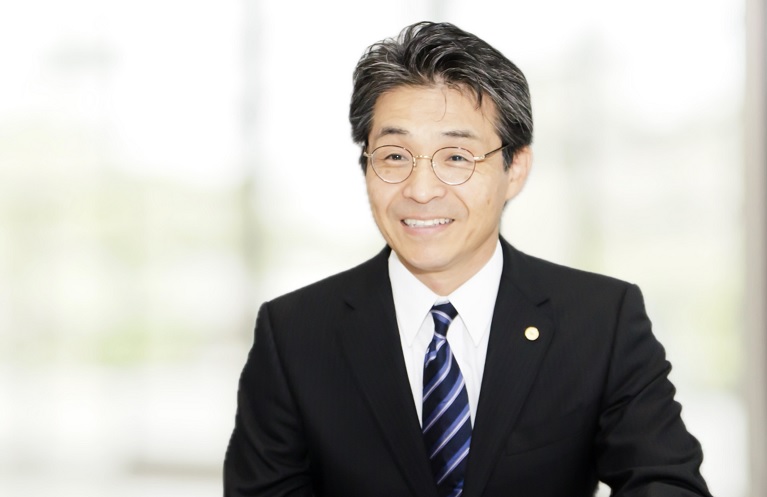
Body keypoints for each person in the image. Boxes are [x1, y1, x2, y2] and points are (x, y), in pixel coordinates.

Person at [224, 21, 712, 497]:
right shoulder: (293, 334)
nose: (420, 190)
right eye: (394, 156)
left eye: (456, 157)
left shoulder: (601, 321)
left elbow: (667, 483)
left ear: (515, 169)